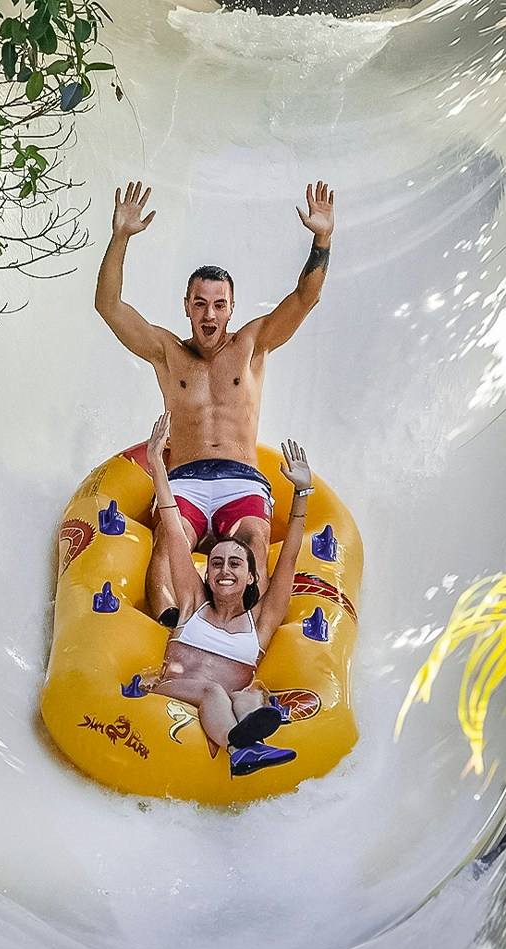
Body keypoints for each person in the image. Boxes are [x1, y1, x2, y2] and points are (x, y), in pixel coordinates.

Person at [95, 179, 335, 621]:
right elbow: (108, 306)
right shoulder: (167, 352)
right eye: (201, 304)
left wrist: (322, 237)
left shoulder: (252, 345)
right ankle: (174, 628)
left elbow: (306, 297)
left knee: (253, 547)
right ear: (186, 305)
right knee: (169, 548)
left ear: (232, 308)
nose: (210, 315)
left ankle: (243, 636)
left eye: (219, 305)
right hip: (184, 479)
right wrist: (120, 237)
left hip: (241, 479)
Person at [143, 411, 313, 777]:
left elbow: (288, 557)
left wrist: (302, 493)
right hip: (179, 690)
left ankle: (255, 743)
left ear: (252, 577)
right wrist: (157, 463)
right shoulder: (191, 602)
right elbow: (173, 529)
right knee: (213, 692)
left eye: (235, 564)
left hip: (229, 705)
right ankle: (239, 750)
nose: (222, 570)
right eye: (216, 563)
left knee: (251, 696)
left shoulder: (261, 623)